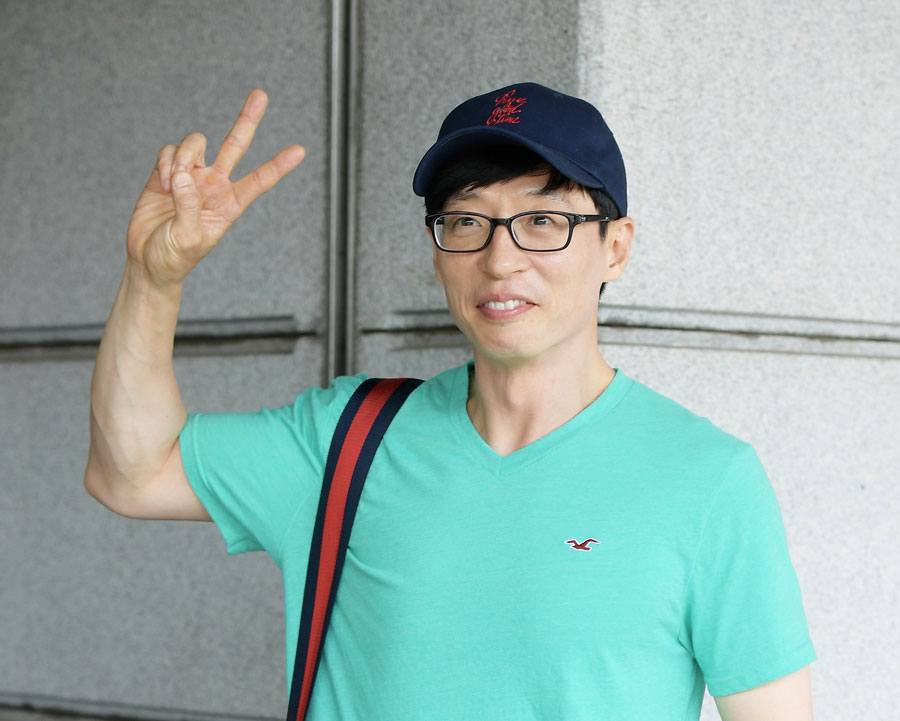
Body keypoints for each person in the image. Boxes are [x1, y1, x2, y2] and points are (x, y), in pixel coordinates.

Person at [85, 82, 816, 720]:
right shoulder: (348, 441)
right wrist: (154, 278)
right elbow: (131, 473)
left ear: (615, 248)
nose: (500, 259)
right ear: (437, 251)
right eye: (467, 222)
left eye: (543, 221)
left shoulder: (706, 479)